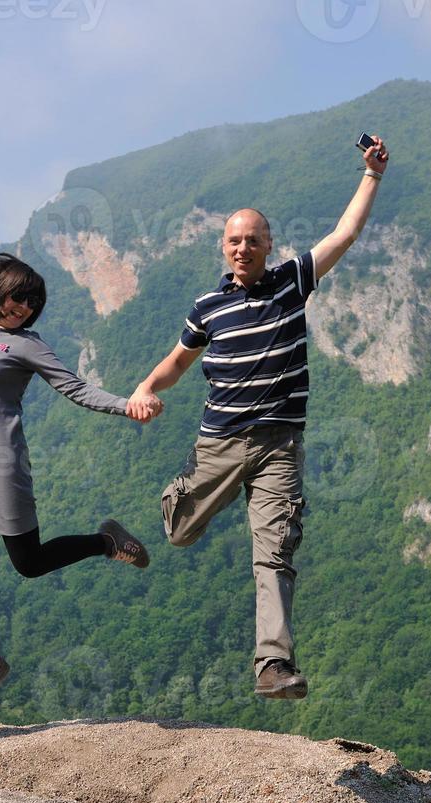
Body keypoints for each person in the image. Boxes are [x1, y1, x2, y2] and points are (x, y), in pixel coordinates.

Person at [125, 136, 391, 700]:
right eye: (233, 241)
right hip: (219, 443)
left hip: (278, 447)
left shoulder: (292, 282)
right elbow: (178, 362)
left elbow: (345, 234)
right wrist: (146, 386)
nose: (242, 248)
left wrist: (371, 175)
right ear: (223, 248)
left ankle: (273, 665)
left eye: (252, 240)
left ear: (269, 245)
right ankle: (170, 503)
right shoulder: (207, 307)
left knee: (274, 551)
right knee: (178, 533)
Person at [0, 175, 152, 715]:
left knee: (27, 563)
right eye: (21, 297)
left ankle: (105, 541)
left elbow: (75, 387)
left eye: (34, 302)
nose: (27, 308)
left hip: (4, 470)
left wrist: (125, 403)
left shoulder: (27, 346)